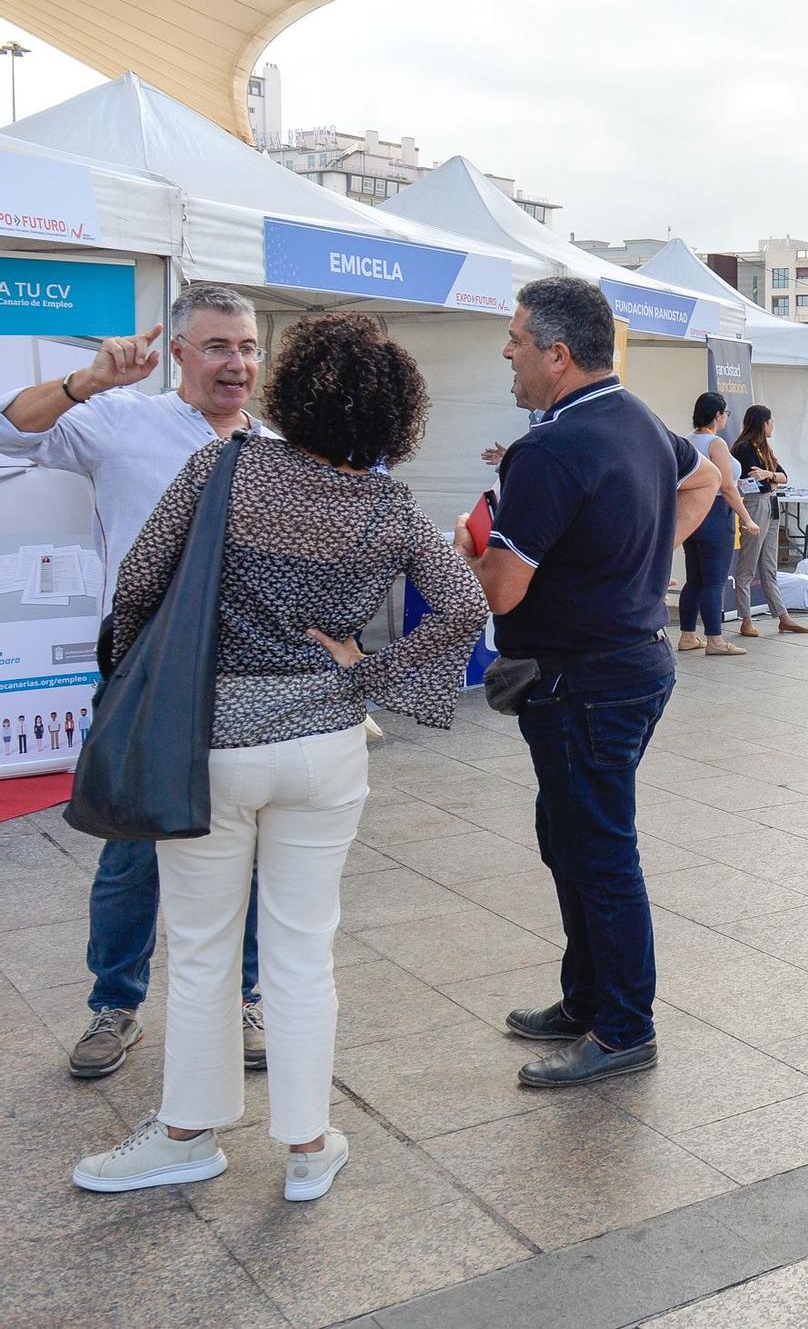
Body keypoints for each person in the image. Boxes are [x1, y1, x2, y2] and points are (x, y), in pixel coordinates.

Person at [70, 313, 486, 1200]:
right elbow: (463, 611)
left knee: (204, 946)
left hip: (212, 744)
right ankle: (307, 1147)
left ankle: (186, 1135)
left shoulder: (226, 466)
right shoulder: (389, 507)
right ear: (394, 415)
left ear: (291, 392)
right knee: (302, 949)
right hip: (327, 748)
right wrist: (370, 671)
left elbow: (141, 583)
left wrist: (149, 679)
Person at [458, 276, 721, 1088]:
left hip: (585, 680)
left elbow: (501, 589)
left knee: (599, 852)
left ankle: (624, 1028)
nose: (507, 353)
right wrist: (640, 555)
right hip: (630, 666)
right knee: (568, 837)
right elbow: (707, 476)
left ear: (557, 354)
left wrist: (463, 552)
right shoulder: (638, 418)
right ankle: (586, 997)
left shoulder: (548, 448)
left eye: (516, 340)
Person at [0, 284, 267, 1080]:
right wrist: (85, 384)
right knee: (133, 846)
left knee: (251, 841)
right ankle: (114, 1003)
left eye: (249, 347)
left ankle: (246, 995)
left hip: (249, 674)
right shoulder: (123, 419)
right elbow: (10, 434)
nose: (238, 363)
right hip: (146, 672)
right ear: (178, 352)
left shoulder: (275, 445)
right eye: (219, 346)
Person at [675, 393, 759, 657]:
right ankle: (715, 640)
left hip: (691, 513)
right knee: (714, 581)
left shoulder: (687, 440)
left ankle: (688, 635)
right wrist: (747, 517)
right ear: (718, 414)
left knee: (695, 580)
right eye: (725, 414)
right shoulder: (716, 443)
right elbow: (726, 486)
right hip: (715, 514)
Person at [731, 404, 808, 638]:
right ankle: (745, 618)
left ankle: (783, 616)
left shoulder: (764, 448)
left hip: (770, 503)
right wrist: (770, 479)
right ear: (762, 423)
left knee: (769, 566)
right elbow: (751, 481)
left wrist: (769, 476)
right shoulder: (744, 448)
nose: (773, 425)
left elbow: (782, 476)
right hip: (755, 504)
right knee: (747, 565)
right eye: (770, 421)